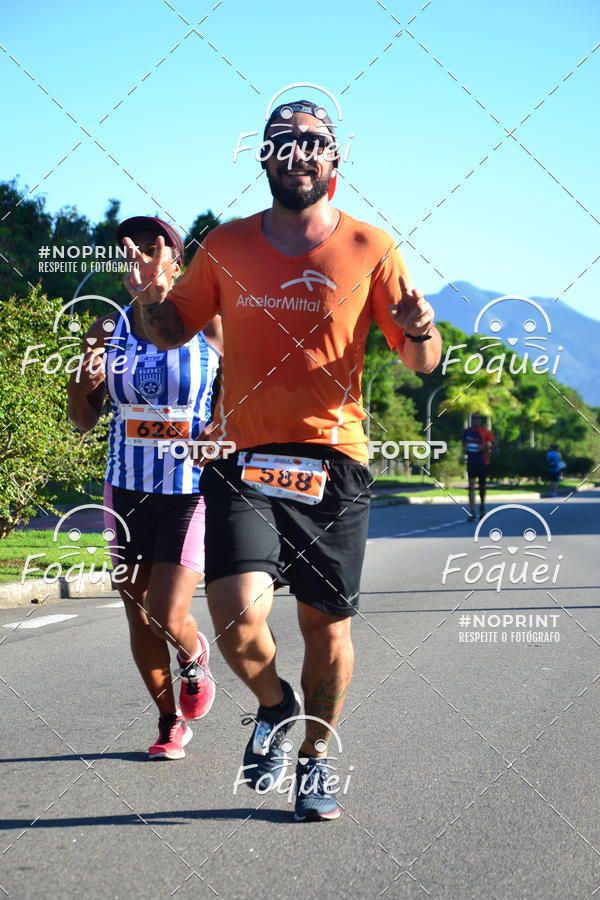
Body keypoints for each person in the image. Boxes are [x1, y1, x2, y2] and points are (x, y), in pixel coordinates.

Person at [124, 99, 442, 820]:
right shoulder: (226, 246)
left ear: (335, 159)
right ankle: (276, 703)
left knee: (326, 628)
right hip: (244, 458)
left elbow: (422, 360)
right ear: (262, 157)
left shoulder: (371, 247)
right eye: (282, 142)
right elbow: (173, 330)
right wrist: (149, 299)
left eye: (313, 142)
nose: (298, 153)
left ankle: (317, 761)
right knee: (234, 613)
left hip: (335, 460)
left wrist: (423, 331)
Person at [67, 216, 223, 760]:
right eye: (130, 249)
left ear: (176, 262)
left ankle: (193, 652)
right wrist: (85, 388)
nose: (140, 256)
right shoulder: (106, 329)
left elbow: (251, 385)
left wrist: (221, 425)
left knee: (163, 609)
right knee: (136, 612)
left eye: (153, 247)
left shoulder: (211, 323)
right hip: (125, 487)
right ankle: (168, 721)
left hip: (188, 487)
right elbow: (82, 418)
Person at [462, 413, 496, 521]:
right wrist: (464, 449)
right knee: (471, 486)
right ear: (471, 420)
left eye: (478, 419)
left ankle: (482, 506)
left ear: (480, 421)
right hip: (471, 461)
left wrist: (485, 447)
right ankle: (471, 511)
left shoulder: (485, 432)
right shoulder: (467, 432)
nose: (475, 421)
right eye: (474, 419)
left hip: (483, 462)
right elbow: (463, 443)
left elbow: (494, 443)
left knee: (482, 486)